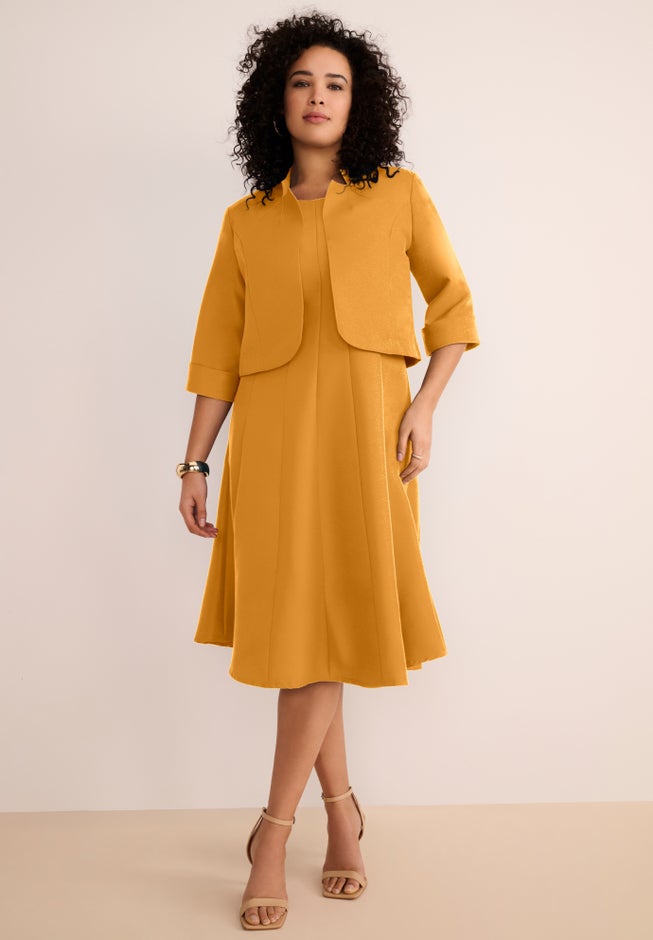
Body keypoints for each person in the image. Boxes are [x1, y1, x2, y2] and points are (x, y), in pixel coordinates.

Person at [178, 11, 480, 931]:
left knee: (330, 626)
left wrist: (424, 406)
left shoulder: (399, 195)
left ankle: (273, 833)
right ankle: (338, 817)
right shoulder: (244, 222)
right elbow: (217, 350)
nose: (318, 96)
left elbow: (453, 307)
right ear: (276, 100)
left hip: (365, 437)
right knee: (304, 635)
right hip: (273, 443)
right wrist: (194, 461)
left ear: (360, 102)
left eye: (336, 83)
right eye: (302, 81)